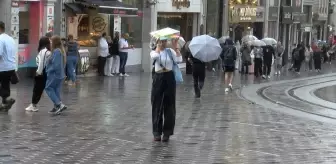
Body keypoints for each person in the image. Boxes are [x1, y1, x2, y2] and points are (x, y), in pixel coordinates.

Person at [150, 37, 182, 142]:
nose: (163, 43)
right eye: (161, 41)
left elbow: (179, 59)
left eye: (164, 41)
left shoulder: (170, 51)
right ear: (157, 42)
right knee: (156, 104)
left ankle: (167, 133)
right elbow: (154, 56)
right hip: (158, 77)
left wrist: (175, 46)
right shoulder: (154, 51)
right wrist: (158, 47)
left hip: (169, 77)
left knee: (169, 105)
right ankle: (157, 133)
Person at [25, 37, 51, 112]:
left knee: (37, 89)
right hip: (45, 72)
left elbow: (41, 63)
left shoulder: (43, 51)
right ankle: (34, 104)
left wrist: (38, 72)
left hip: (42, 72)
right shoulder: (48, 52)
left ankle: (33, 105)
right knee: (39, 89)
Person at [45, 36, 67, 114]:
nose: (50, 43)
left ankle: (59, 104)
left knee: (48, 88)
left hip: (54, 74)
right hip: (59, 74)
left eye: (51, 41)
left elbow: (56, 65)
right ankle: (56, 107)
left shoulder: (57, 52)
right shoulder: (59, 51)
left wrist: (48, 70)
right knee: (56, 90)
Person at [0, 21, 16, 111]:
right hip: (10, 67)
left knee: (4, 85)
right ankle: (4, 104)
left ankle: (6, 100)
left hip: (2, 67)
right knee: (5, 85)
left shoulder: (0, 39)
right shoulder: (10, 38)